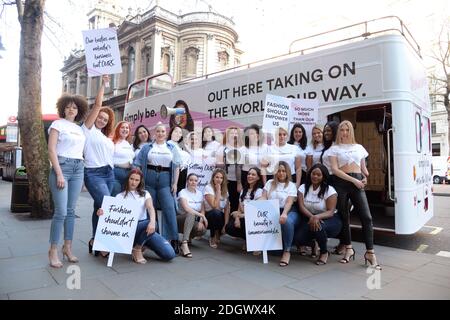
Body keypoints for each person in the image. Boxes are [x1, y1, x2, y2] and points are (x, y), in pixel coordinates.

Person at [328, 120, 381, 269]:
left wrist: (365, 177)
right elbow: (335, 170)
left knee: (367, 217)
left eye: (347, 130)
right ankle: (349, 249)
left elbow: (364, 169)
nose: (344, 133)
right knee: (344, 217)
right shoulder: (334, 149)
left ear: (351, 131)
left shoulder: (359, 148)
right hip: (341, 183)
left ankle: (370, 252)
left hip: (357, 182)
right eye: (342, 130)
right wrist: (353, 180)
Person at [97, 169, 176, 264]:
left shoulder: (145, 193)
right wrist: (102, 212)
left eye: (136, 180)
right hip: (128, 229)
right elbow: (111, 216)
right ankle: (137, 249)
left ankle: (143, 242)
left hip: (146, 228)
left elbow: (150, 208)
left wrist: (152, 222)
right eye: (131, 179)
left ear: (140, 181)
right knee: (149, 223)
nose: (133, 182)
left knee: (169, 254)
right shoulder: (119, 196)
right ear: (127, 179)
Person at [47, 93, 88, 268]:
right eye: (68, 106)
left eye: (75, 107)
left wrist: (104, 85)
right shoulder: (57, 124)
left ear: (78, 110)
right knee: (61, 212)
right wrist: (59, 173)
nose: (71, 109)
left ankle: (68, 248)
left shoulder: (80, 128)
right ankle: (53, 250)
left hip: (78, 167)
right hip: (61, 167)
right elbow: (51, 149)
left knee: (71, 211)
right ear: (63, 108)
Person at [133, 122, 181, 253]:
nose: (160, 134)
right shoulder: (147, 147)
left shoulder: (172, 147)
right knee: (150, 209)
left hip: (165, 181)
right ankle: (155, 239)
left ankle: (174, 239)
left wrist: (175, 184)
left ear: (166, 133)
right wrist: (138, 182)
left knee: (170, 208)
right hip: (149, 180)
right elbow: (137, 164)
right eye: (158, 131)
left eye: (163, 131)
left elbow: (177, 167)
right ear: (154, 133)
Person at [83, 75, 115, 258]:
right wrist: (104, 85)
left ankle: (95, 240)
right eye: (100, 117)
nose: (102, 120)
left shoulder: (105, 137)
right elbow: (96, 105)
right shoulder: (87, 130)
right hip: (94, 173)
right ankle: (104, 243)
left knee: (99, 207)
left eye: (105, 119)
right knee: (107, 206)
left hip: (109, 173)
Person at [295, 163, 342, 265]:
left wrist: (317, 217)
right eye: (313, 173)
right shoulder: (303, 187)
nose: (315, 176)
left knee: (318, 225)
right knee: (298, 238)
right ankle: (313, 243)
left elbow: (330, 211)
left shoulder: (329, 190)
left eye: (318, 175)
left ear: (323, 176)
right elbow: (301, 207)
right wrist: (313, 217)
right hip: (310, 216)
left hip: (330, 219)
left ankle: (324, 252)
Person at [260, 161, 299, 267]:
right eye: (279, 171)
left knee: (287, 222)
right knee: (274, 252)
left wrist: (284, 213)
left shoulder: (292, 185)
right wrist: (257, 205)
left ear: (287, 173)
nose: (281, 173)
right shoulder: (270, 183)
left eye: (283, 171)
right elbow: (264, 197)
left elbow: (289, 202)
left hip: (289, 210)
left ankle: (287, 251)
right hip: (273, 209)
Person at [225, 167, 264, 245]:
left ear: (258, 177)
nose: (250, 176)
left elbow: (256, 212)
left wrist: (239, 215)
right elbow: (239, 208)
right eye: (249, 174)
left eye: (253, 175)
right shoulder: (243, 190)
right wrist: (237, 218)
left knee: (245, 222)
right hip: (243, 216)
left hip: (254, 218)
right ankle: (247, 239)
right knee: (229, 227)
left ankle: (254, 242)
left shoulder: (260, 191)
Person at [176, 173, 208, 258]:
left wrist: (201, 220)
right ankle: (184, 243)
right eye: (191, 180)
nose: (193, 182)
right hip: (179, 219)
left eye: (195, 180)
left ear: (198, 182)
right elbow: (187, 208)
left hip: (192, 220)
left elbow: (202, 209)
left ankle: (189, 237)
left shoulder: (200, 193)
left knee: (202, 229)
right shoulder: (182, 192)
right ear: (187, 181)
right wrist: (202, 215)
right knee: (190, 213)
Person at [217, 126, 244, 212]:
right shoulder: (222, 148)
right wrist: (225, 161)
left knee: (238, 202)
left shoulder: (242, 148)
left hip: (240, 180)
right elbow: (218, 165)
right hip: (227, 180)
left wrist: (239, 183)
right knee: (227, 202)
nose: (234, 135)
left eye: (236, 133)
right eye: (232, 133)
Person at [204, 168, 230, 248]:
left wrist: (225, 225)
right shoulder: (208, 188)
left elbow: (226, 209)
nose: (219, 179)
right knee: (216, 212)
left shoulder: (225, 191)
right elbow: (214, 206)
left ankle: (219, 232)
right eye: (217, 177)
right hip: (208, 216)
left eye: (221, 178)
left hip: (219, 215)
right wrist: (218, 191)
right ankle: (212, 236)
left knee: (228, 217)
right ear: (213, 178)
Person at [112, 121, 134, 196]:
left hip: (128, 175)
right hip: (115, 174)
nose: (125, 129)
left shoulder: (128, 144)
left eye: (127, 128)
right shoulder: (112, 142)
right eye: (122, 127)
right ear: (118, 129)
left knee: (124, 200)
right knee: (115, 198)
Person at [168, 125, 191, 193]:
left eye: (180, 132)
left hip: (182, 174)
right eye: (176, 131)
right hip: (174, 173)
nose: (178, 134)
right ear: (171, 133)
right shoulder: (168, 144)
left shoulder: (179, 146)